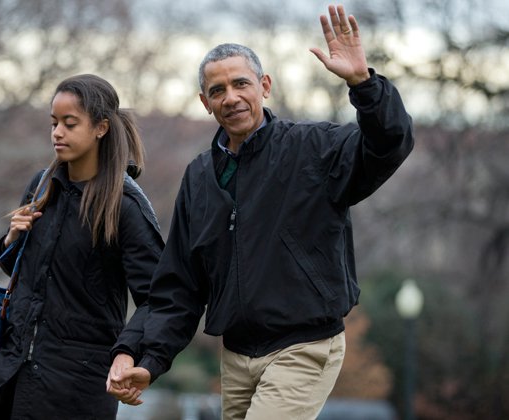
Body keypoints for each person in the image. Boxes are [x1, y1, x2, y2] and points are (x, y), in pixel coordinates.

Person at [107, 4, 414, 420]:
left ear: (264, 85)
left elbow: (389, 143)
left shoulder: (314, 149)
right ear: (205, 102)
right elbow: (177, 287)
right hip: (237, 355)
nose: (230, 98)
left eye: (240, 84)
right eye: (218, 91)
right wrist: (145, 358)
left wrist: (364, 84)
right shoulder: (199, 178)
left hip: (304, 346)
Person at [0, 74, 164, 419]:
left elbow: (158, 297)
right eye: (54, 123)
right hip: (11, 377)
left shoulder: (125, 206)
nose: (57, 133)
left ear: (101, 128)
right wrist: (11, 241)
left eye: (70, 124)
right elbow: (28, 276)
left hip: (77, 389)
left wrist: (127, 352)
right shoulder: (42, 187)